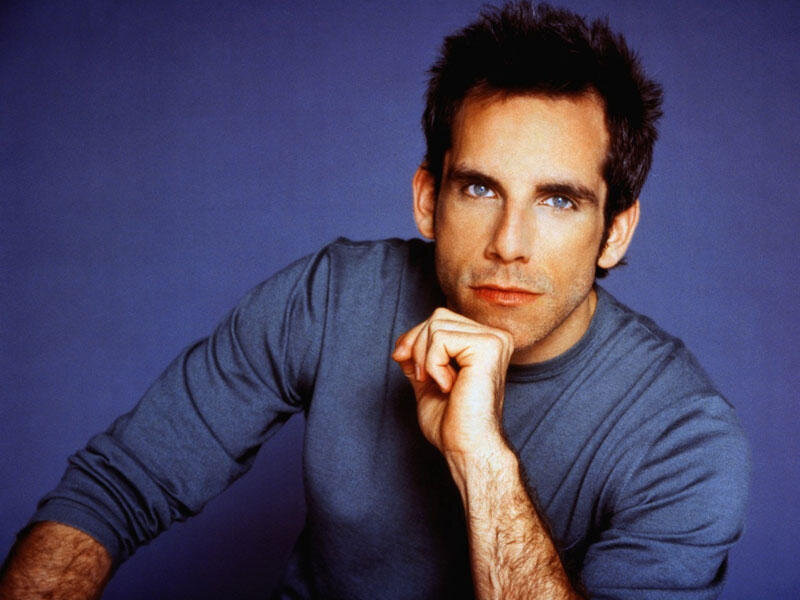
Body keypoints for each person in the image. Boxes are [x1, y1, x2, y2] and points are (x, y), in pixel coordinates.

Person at [0, 2, 749, 599]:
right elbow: (120, 487)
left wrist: (481, 460)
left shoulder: (683, 438)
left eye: (558, 201)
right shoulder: (333, 298)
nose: (509, 243)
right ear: (428, 199)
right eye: (479, 188)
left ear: (615, 231)